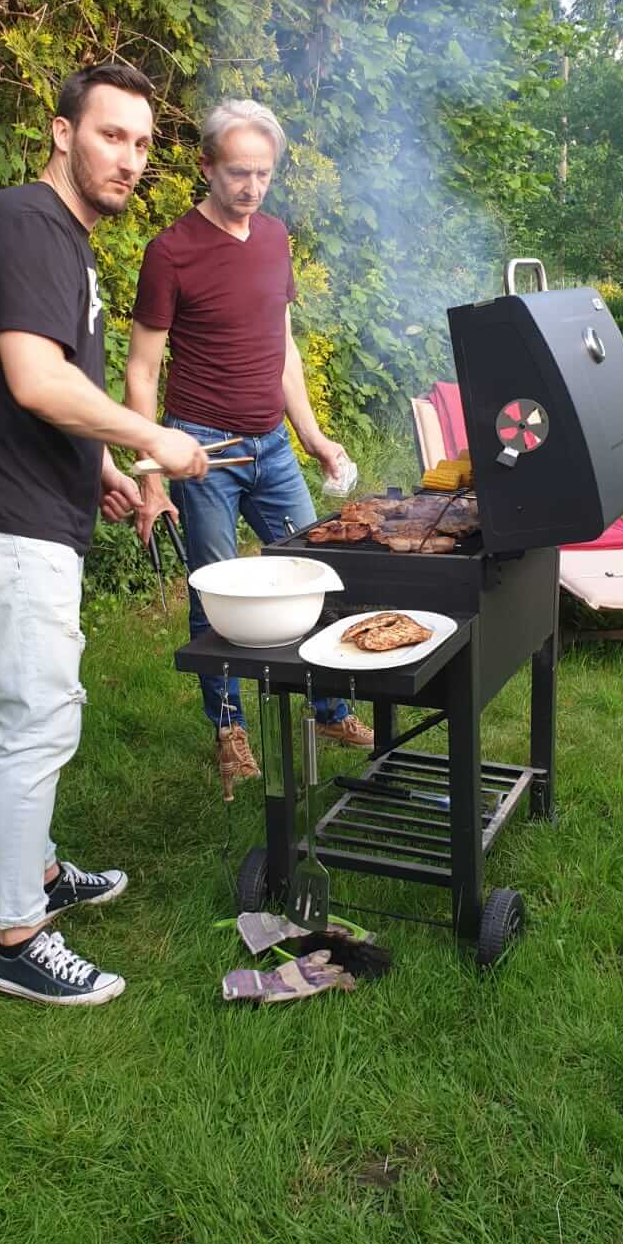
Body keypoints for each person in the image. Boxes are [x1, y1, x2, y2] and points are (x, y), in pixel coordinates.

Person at [0, 62, 209, 1006]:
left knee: (24, 709)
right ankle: (14, 935)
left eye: (141, 145)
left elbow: (52, 400)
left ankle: (37, 871)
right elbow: (36, 383)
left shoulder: (61, 242)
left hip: (23, 510)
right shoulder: (28, 225)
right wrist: (155, 439)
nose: (127, 159)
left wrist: (105, 476)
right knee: (37, 719)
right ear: (61, 132)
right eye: (110, 135)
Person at [126, 98, 373, 788]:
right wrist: (150, 477)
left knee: (317, 572)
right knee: (215, 596)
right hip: (200, 447)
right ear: (205, 167)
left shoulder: (272, 236)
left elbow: (282, 347)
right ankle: (229, 730)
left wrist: (313, 435)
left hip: (269, 446)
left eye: (263, 173)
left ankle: (325, 705)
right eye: (238, 172)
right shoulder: (169, 253)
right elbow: (142, 369)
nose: (251, 187)